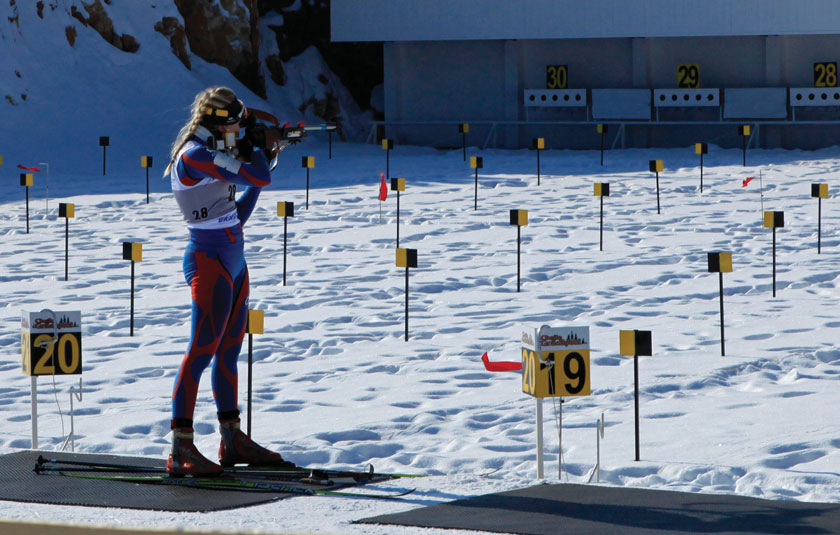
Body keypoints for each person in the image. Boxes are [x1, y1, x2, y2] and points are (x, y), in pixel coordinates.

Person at [164, 86, 288, 475]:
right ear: (217, 124)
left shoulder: (215, 153)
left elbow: (238, 208)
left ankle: (231, 437)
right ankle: (180, 446)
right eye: (235, 124)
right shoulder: (196, 155)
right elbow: (258, 176)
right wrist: (258, 154)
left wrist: (263, 154)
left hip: (233, 259)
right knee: (201, 350)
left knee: (229, 352)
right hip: (209, 261)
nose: (239, 129)